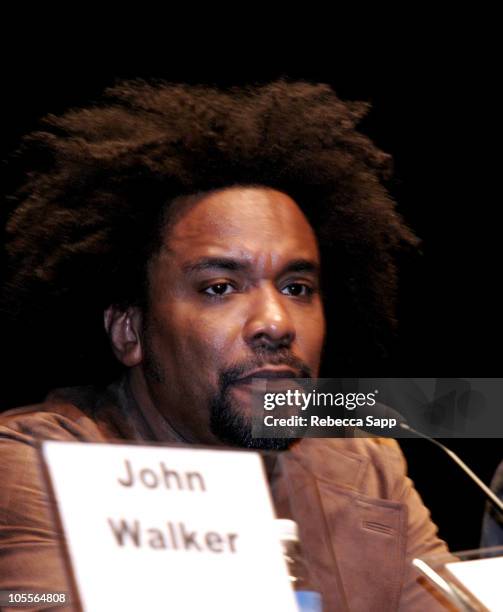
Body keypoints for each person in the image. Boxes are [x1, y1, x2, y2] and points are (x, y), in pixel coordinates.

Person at [0, 80, 452, 611]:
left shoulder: (369, 469)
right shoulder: (40, 465)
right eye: (220, 288)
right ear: (130, 332)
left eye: (297, 288)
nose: (276, 322)